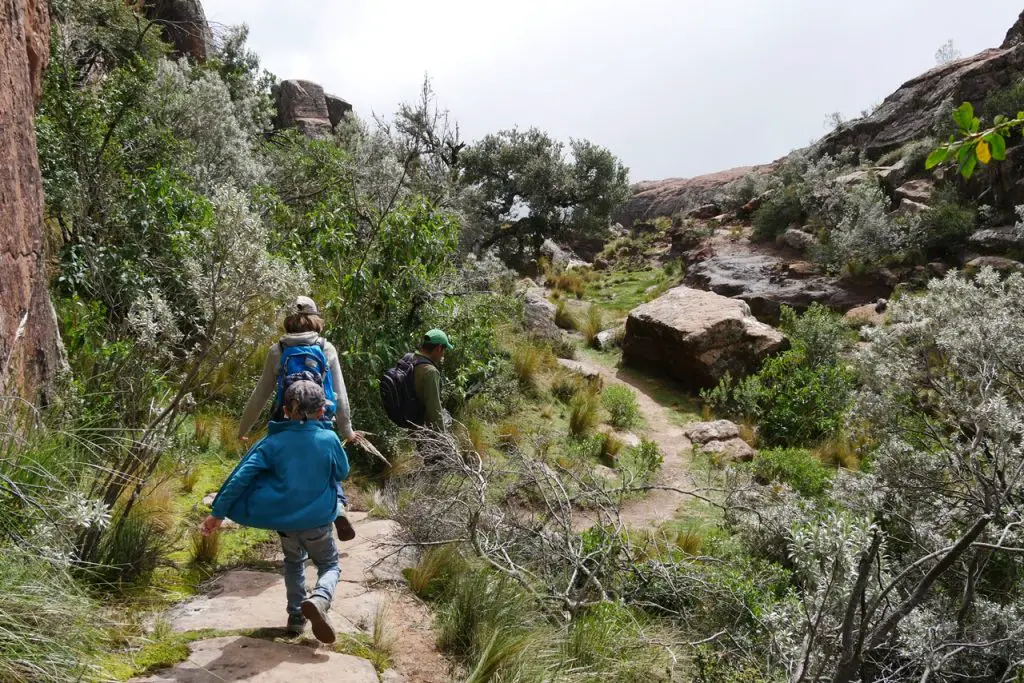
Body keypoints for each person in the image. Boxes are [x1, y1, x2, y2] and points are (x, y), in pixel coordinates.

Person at [201, 381, 347, 643]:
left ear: (284, 410)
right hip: (318, 521)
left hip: (285, 522)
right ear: (321, 410)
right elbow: (342, 472)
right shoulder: (328, 438)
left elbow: (240, 478)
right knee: (329, 564)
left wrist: (217, 514)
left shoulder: (271, 443)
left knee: (293, 563)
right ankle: (320, 599)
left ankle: (295, 616)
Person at [238, 295, 369, 541]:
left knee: (283, 469)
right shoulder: (325, 348)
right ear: (315, 319)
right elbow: (340, 395)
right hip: (321, 419)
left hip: (286, 419)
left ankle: (288, 524)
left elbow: (260, 394)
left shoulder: (277, 350)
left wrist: (243, 428)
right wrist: (347, 430)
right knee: (327, 467)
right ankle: (337, 508)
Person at [412, 329, 453, 432]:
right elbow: (434, 409)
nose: (443, 354)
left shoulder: (411, 359)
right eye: (444, 350)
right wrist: (443, 436)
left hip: (412, 422)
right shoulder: (430, 372)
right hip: (425, 429)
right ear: (439, 348)